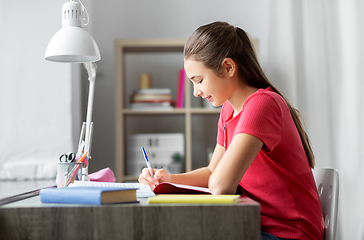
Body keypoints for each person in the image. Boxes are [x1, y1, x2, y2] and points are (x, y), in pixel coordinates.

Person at [138, 21, 324, 240]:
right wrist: (168, 179)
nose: (196, 92)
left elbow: (220, 185)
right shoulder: (228, 110)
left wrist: (208, 181)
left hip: (289, 234)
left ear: (228, 67)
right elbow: (212, 173)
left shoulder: (262, 104)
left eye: (199, 81)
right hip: (254, 225)